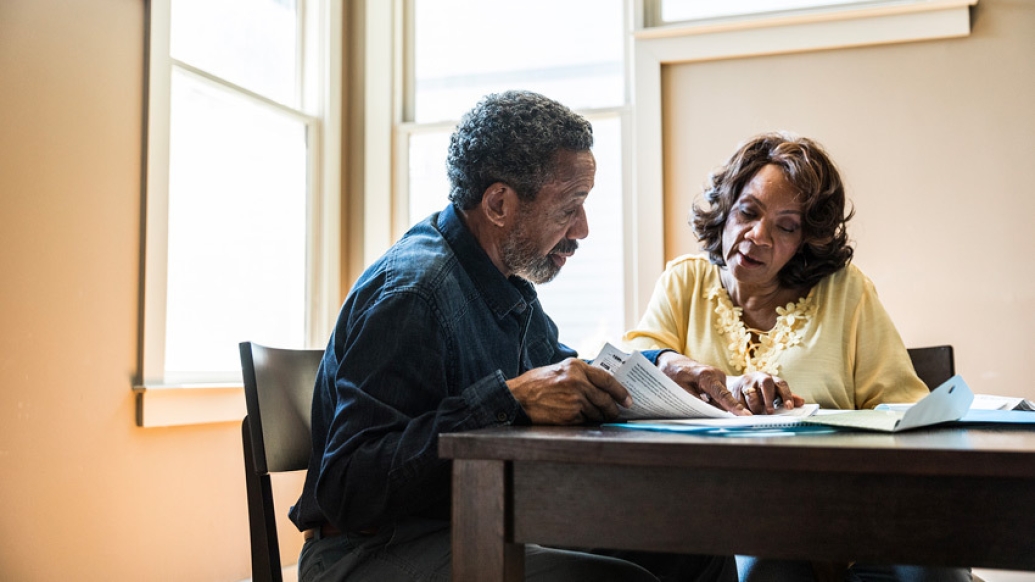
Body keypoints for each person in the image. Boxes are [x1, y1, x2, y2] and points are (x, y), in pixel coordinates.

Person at [289, 90, 739, 582]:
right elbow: (350, 488)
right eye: (570, 207)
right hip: (366, 552)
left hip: (479, 521)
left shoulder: (505, 282)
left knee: (696, 548)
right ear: (499, 203)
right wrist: (509, 402)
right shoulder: (413, 293)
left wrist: (664, 367)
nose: (583, 229)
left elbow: (568, 377)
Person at [623, 132, 971, 582]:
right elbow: (631, 363)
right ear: (726, 208)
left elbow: (904, 409)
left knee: (935, 570)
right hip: (721, 513)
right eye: (748, 212)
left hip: (843, 510)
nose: (757, 236)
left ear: (806, 239)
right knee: (763, 569)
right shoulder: (684, 282)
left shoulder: (846, 292)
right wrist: (679, 365)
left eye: (786, 226)